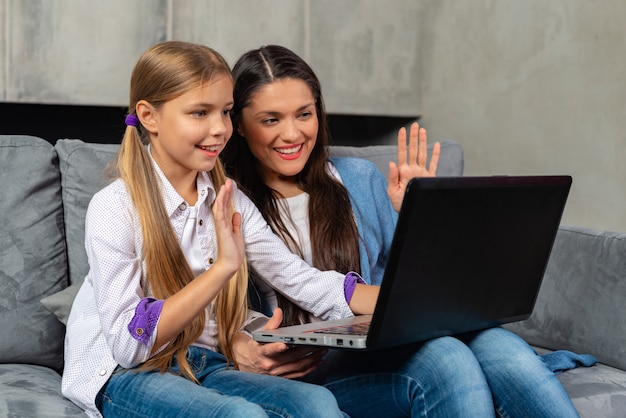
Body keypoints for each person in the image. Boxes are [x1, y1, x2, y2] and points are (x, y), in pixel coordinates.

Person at [220, 44, 581, 417]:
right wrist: (241, 341)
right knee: (447, 356)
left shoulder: (357, 180)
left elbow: (419, 287)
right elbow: (221, 309)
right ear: (240, 126)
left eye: (304, 114)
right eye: (271, 119)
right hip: (311, 365)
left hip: (384, 340)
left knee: (507, 352)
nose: (292, 133)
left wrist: (421, 217)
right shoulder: (227, 202)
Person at [61, 40, 367, 418]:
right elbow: (129, 345)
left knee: (316, 404)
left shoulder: (228, 199)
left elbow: (300, 279)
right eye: (200, 113)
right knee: (240, 416)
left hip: (205, 361)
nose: (220, 128)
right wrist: (223, 267)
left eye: (224, 112)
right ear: (149, 116)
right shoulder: (114, 207)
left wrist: (403, 304)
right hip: (126, 373)